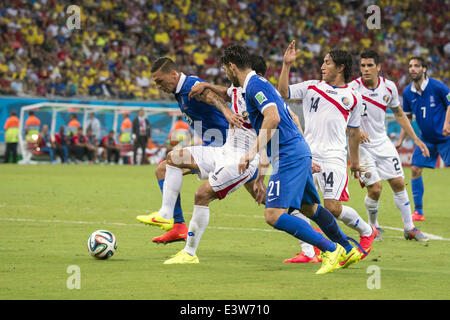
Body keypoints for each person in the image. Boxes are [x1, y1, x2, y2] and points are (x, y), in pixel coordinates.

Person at [225, 45, 361, 274]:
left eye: (225, 71)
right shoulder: (258, 84)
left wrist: (251, 153)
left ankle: (330, 249)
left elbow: (273, 118)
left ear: (231, 66)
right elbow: (285, 118)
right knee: (310, 207)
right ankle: (348, 247)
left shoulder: (254, 85)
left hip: (289, 152)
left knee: (274, 214)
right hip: (295, 150)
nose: (227, 78)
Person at [162, 55, 270, 264]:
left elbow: (269, 135)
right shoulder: (238, 92)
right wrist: (204, 84)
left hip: (242, 160)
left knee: (202, 195)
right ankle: (167, 216)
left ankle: (189, 253)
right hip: (225, 151)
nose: (228, 74)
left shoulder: (262, 101)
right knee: (173, 158)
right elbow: (220, 92)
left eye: (229, 70)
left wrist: (261, 172)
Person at [278, 41, 375, 264]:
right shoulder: (312, 86)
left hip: (333, 157)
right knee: (296, 205)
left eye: (327, 62)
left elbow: (353, 132)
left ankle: (367, 230)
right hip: (308, 155)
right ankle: (310, 252)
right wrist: (286, 65)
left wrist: (355, 163)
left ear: (340, 68)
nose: (322, 66)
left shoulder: (353, 97)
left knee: (332, 207)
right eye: (323, 62)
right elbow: (283, 92)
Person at [136, 56, 243, 244]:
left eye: (160, 81)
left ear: (173, 74)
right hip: (212, 148)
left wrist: (228, 114)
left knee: (265, 198)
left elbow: (212, 97)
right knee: (164, 168)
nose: (158, 86)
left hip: (228, 150)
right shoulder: (180, 92)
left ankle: (309, 227)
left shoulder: (191, 85)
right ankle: (178, 227)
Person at [349, 50, 429, 242]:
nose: (365, 69)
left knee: (399, 183)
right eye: (362, 66)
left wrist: (416, 139)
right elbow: (340, 116)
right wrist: (356, 133)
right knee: (375, 188)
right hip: (362, 146)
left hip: (383, 142)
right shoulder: (353, 88)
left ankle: (409, 228)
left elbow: (400, 114)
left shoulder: (389, 87)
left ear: (378, 67)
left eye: (369, 65)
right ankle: (373, 228)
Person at [395, 56, 450, 221]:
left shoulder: (437, 86)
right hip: (424, 139)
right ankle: (418, 212)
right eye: (410, 66)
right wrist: (400, 140)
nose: (412, 69)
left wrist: (447, 123)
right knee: (415, 169)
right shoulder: (407, 92)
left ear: (424, 69)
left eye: (417, 66)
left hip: (446, 138)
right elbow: (407, 118)